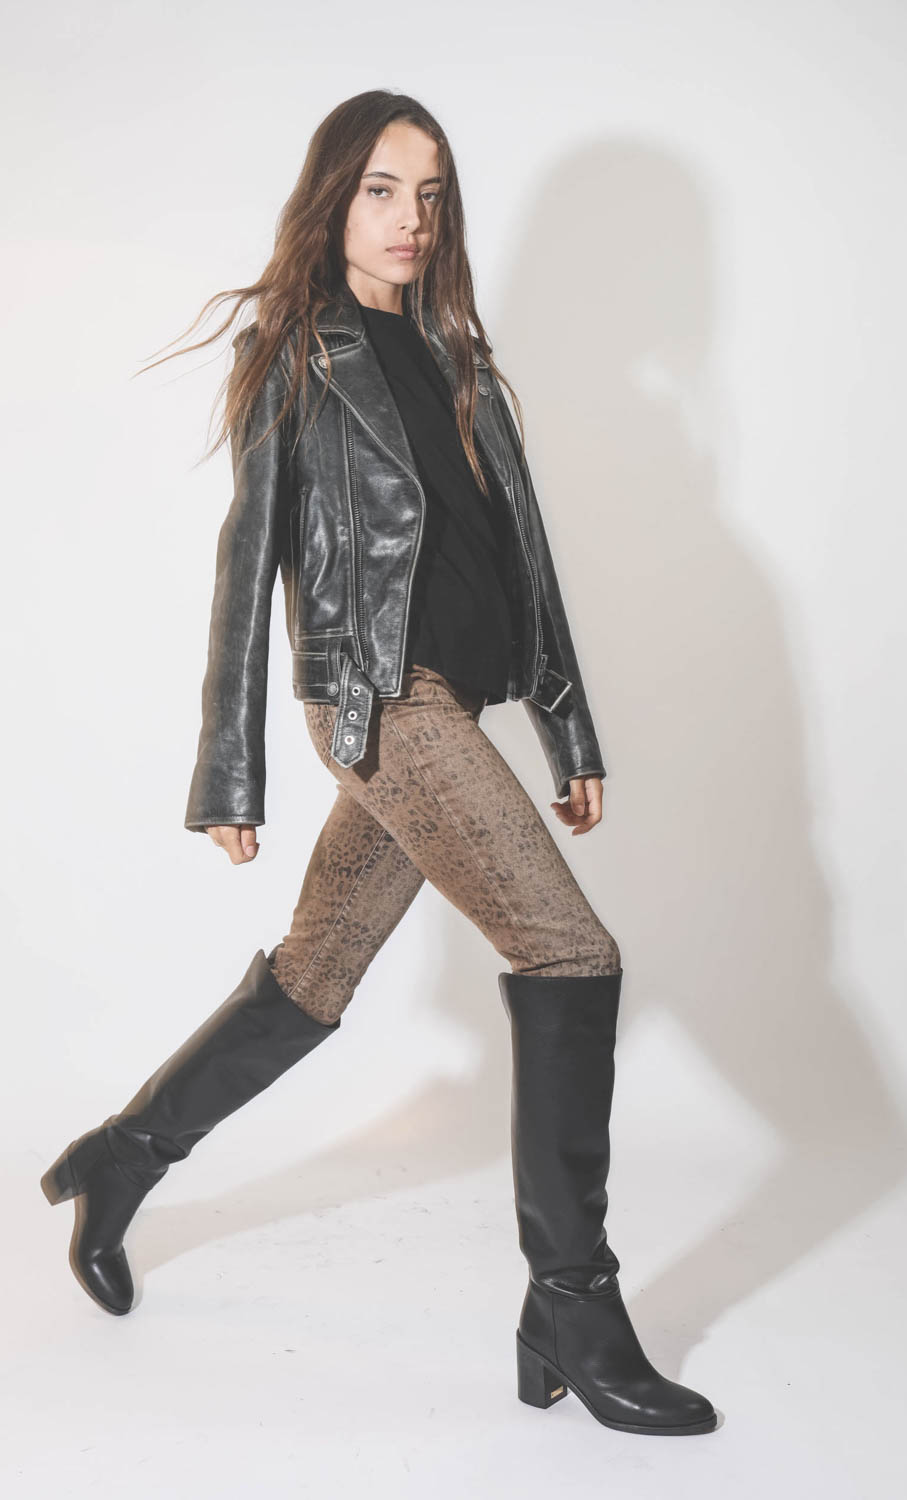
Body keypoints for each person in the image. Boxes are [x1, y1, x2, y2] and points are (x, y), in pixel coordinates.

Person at [40, 91, 717, 1437]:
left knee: (315, 972)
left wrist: (569, 727)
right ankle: (572, 1303)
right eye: (381, 190)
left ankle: (119, 1160)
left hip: (454, 705)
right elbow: (247, 567)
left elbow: (529, 567)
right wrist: (229, 771)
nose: (410, 220)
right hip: (382, 709)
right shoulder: (298, 356)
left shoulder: (464, 364)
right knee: (572, 954)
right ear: (333, 197)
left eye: (431, 195)